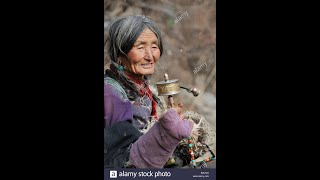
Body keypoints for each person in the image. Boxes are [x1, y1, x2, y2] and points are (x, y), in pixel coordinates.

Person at [104, 15, 194, 168]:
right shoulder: (112, 96)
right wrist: (165, 134)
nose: (150, 56)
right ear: (120, 55)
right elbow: (118, 162)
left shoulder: (144, 91)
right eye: (140, 47)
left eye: (154, 46)